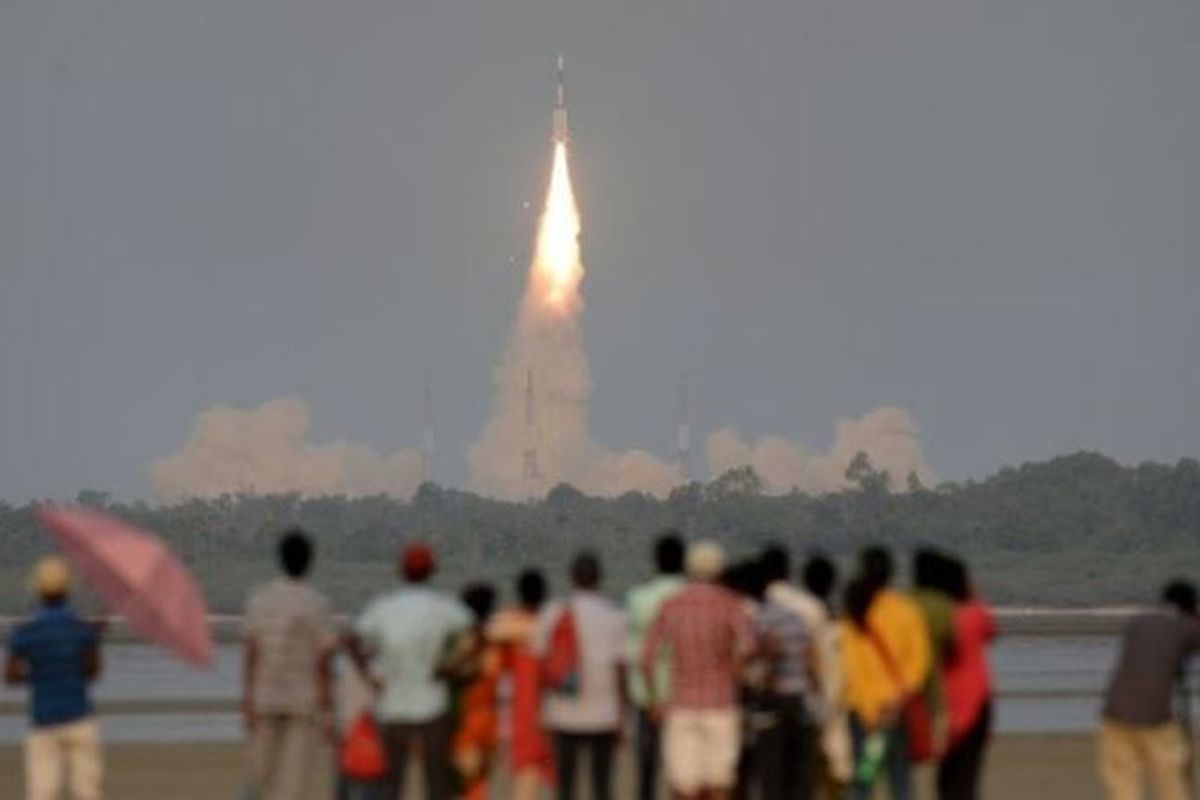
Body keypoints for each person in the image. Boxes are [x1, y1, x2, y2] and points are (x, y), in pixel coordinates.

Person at [349, 542, 472, 800]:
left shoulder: (384, 607)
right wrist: (451, 666)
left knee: (391, 786)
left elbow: (353, 640)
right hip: (432, 705)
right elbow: (474, 634)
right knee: (437, 785)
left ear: (402, 571)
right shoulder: (441, 607)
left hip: (394, 707)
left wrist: (370, 675)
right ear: (431, 571)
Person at [643, 541, 754, 800]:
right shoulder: (730, 604)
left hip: (681, 705)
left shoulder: (672, 605)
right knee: (719, 786)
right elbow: (749, 650)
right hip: (721, 704)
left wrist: (653, 701)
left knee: (683, 787)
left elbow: (647, 658)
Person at [241, 529, 339, 800]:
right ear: (310, 561)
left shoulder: (260, 600)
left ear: (280, 559)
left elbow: (251, 653)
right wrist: (328, 709)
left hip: (265, 696)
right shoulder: (317, 604)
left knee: (258, 776)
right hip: (303, 701)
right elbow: (324, 662)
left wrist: (247, 699)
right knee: (293, 785)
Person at [5, 557, 104, 800]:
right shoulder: (81, 630)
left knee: (42, 792)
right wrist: (92, 641)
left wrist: (40, 673)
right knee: (87, 792)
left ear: (38, 591)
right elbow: (92, 672)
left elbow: (10, 676)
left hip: (44, 721)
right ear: (67, 589)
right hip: (79, 717)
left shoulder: (27, 633)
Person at [535, 551, 628, 800]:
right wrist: (622, 716)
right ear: (600, 578)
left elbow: (540, 666)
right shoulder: (615, 616)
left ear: (571, 577)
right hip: (603, 714)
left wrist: (540, 711)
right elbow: (621, 671)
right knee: (602, 787)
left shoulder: (552, 614)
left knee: (565, 787)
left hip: (562, 711)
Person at [840, 547, 931, 800]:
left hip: (863, 714)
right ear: (891, 573)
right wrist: (898, 701)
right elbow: (919, 662)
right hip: (894, 713)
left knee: (864, 780)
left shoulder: (855, 612)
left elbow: (849, 664)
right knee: (900, 781)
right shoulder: (906, 611)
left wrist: (863, 708)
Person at [1098, 579, 1200, 800]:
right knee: (1170, 777)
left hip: (1115, 711)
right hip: (1156, 716)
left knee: (1122, 781)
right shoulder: (1188, 626)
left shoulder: (1138, 622)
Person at [756, 545, 821, 800]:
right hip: (800, 700)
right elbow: (811, 660)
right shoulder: (805, 610)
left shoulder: (759, 613)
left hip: (772, 701)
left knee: (771, 779)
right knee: (800, 780)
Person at [626, 532, 688, 800]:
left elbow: (634, 652)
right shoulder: (690, 597)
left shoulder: (638, 598)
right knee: (682, 774)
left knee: (647, 772)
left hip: (646, 697)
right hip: (684, 696)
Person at [490, 569, 555, 800]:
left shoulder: (508, 624)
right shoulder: (553, 624)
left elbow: (491, 632)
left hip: (524, 715)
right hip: (556, 712)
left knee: (526, 780)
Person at [936, 558, 995, 800]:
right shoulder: (976, 613)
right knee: (969, 774)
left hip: (952, 705)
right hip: (980, 703)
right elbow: (991, 632)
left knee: (948, 777)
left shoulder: (944, 617)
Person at [803, 554, 852, 799]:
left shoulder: (800, 623)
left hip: (805, 709)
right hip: (838, 707)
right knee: (838, 774)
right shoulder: (842, 627)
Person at [450, 583, 503, 800]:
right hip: (489, 722)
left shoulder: (459, 642)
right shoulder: (496, 642)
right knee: (478, 785)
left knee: (464, 786)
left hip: (465, 721)